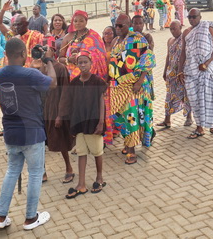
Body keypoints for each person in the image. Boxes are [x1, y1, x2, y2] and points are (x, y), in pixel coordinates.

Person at [0, 38, 54, 231]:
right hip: (32, 130)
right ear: (22, 54)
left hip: (11, 131)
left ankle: (0, 217)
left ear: (6, 54)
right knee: (35, 174)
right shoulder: (30, 74)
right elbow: (52, 84)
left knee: (12, 172)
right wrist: (49, 60)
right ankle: (30, 218)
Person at [109, 14, 156, 164]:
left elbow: (148, 58)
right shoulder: (116, 41)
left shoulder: (137, 39)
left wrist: (140, 81)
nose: (117, 28)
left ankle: (132, 150)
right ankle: (128, 142)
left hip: (134, 86)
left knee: (131, 117)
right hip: (118, 85)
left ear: (128, 24)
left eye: (120, 25)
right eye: (116, 25)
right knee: (117, 114)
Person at [59, 52, 107, 199]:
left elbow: (101, 102)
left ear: (91, 64)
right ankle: (81, 184)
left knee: (97, 152)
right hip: (79, 123)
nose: (83, 65)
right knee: (81, 153)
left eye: (86, 62)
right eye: (80, 62)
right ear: (77, 65)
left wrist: (100, 122)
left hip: (93, 123)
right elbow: (71, 102)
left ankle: (99, 178)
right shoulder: (74, 83)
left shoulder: (97, 81)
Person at [35, 45, 74, 184]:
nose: (44, 53)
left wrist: (61, 114)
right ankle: (42, 171)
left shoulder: (60, 68)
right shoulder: (38, 68)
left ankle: (69, 168)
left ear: (53, 52)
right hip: (41, 111)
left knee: (61, 141)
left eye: (47, 50)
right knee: (40, 144)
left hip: (55, 110)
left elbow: (66, 93)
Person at [182, 9, 213, 138]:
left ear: (200, 16)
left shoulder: (207, 27)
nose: (191, 19)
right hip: (190, 71)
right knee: (194, 99)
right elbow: (183, 52)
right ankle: (199, 128)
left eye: (194, 17)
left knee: (209, 97)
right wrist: (180, 71)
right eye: (189, 17)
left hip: (206, 70)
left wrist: (207, 63)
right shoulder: (186, 32)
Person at [157, 20, 193, 128]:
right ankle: (167, 120)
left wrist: (182, 71)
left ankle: (188, 117)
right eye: (171, 29)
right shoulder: (170, 41)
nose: (173, 31)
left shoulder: (185, 40)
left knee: (184, 95)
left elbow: (187, 57)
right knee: (169, 96)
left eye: (175, 28)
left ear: (180, 28)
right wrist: (164, 71)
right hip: (171, 73)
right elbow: (168, 56)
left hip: (181, 73)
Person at [59, 10, 108, 79]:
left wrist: (83, 59)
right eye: (75, 21)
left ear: (86, 22)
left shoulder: (94, 36)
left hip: (90, 75)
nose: (78, 23)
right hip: (70, 75)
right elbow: (60, 58)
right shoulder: (68, 37)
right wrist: (69, 59)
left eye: (81, 21)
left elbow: (101, 56)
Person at [0, 0, 45, 67]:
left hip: (30, 72)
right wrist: (3, 10)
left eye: (19, 25)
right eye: (15, 25)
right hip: (13, 72)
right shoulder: (12, 35)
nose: (16, 27)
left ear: (26, 24)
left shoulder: (36, 36)